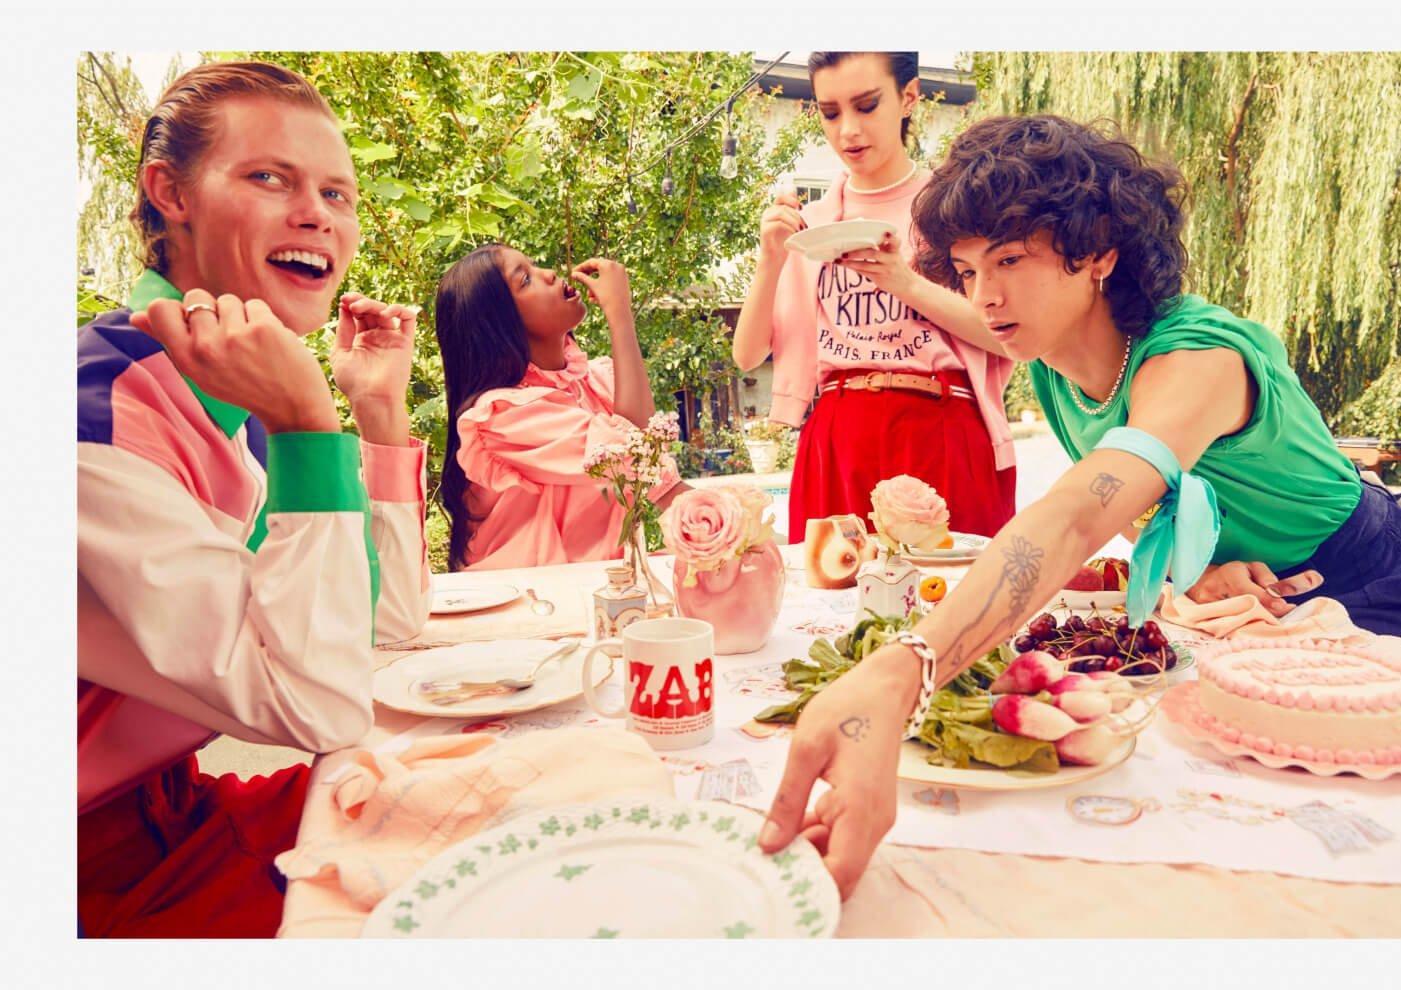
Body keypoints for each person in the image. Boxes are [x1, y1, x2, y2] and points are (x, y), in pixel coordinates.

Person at [757, 113, 1401, 898]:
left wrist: (905, 670)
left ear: (1098, 251)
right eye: (964, 271)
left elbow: (1075, 514)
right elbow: (1149, 508)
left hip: (1380, 586)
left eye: (1008, 260)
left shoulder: (1197, 357)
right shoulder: (1062, 372)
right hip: (1262, 611)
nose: (984, 296)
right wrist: (1197, 568)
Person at [77, 61, 431, 937]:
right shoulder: (91, 420)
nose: (317, 215)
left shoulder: (240, 401)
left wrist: (376, 414)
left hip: (178, 814)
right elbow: (321, 706)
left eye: (337, 193)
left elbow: (387, 627)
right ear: (170, 193)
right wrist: (313, 421)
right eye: (268, 177)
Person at [732, 51, 1018, 544]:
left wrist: (905, 283)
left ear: (909, 97)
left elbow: (1008, 337)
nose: (847, 131)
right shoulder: (813, 223)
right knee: (833, 612)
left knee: (955, 603)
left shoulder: (956, 209)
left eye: (866, 106)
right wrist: (771, 258)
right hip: (840, 433)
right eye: (830, 112)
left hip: (942, 426)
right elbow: (748, 354)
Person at [435, 243, 687, 570]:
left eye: (535, 265)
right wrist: (620, 315)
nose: (549, 274)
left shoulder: (595, 382)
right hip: (525, 601)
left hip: (595, 590)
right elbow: (636, 454)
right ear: (498, 324)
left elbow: (659, 479)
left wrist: (736, 524)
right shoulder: (503, 416)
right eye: (525, 279)